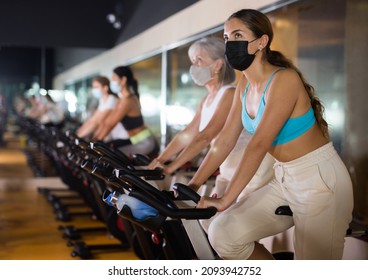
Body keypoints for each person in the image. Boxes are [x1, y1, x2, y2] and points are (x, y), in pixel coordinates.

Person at [188, 9, 354, 260]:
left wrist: (225, 200)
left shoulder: (284, 80)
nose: (230, 43)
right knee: (223, 233)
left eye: (237, 35)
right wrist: (193, 185)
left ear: (261, 42)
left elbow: (258, 144)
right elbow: (225, 140)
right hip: (284, 177)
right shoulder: (243, 84)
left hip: (319, 180)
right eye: (226, 37)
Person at [148, 37, 275, 228]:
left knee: (225, 228)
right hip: (226, 170)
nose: (194, 66)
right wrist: (161, 160)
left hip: (248, 172)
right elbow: (188, 134)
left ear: (217, 65)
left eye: (199, 60)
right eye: (192, 61)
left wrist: (170, 168)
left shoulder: (230, 94)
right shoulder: (207, 99)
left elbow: (205, 136)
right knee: (207, 223)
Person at [92, 66, 159, 159]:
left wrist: (96, 143)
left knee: (111, 157)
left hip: (145, 143)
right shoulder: (121, 100)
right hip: (134, 141)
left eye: (114, 79)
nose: (112, 82)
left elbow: (110, 125)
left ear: (123, 80)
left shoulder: (128, 101)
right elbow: (106, 122)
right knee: (108, 150)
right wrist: (93, 140)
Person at [76, 76, 129, 143]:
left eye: (96, 87)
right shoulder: (102, 100)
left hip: (121, 136)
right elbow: (92, 119)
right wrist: (77, 133)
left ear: (105, 88)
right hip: (112, 135)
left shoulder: (112, 99)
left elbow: (97, 121)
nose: (94, 90)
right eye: (93, 87)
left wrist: (79, 136)